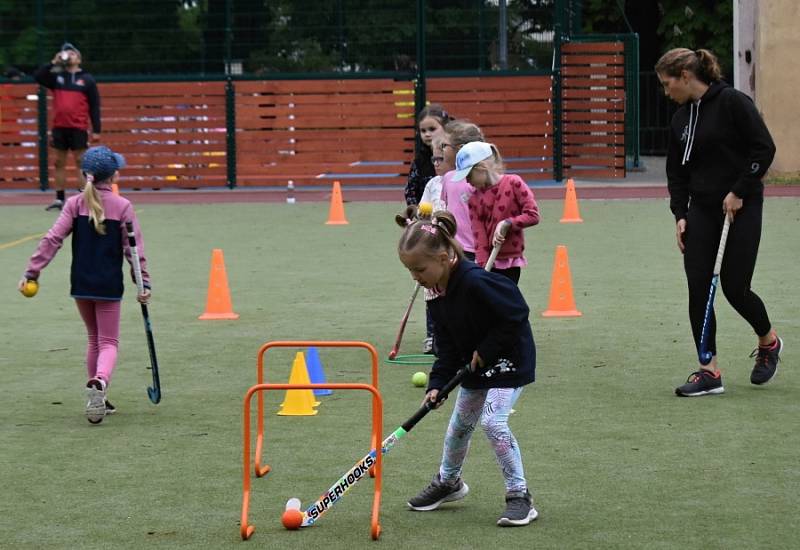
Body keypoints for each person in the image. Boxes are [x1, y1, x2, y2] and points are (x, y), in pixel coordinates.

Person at [395, 210, 538, 527]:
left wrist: (485, 350)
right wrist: (437, 384)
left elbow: (516, 313)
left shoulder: (474, 281)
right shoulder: (435, 294)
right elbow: (446, 349)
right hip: (475, 366)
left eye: (420, 268)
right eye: (410, 270)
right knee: (460, 425)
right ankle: (449, 483)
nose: (415, 277)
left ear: (444, 258)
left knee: (493, 422)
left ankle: (519, 497)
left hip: (508, 361)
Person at [655, 48, 781, 397]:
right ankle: (708, 369)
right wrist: (680, 214)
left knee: (734, 287)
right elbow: (676, 172)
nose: (667, 93)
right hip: (702, 211)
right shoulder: (681, 119)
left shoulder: (733, 103)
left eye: (668, 84)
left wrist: (740, 190)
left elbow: (763, 149)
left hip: (741, 207)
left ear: (685, 75)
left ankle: (769, 342)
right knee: (699, 288)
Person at [18, 146, 150, 424]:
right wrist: (143, 283)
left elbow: (52, 239)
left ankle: (98, 393)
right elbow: (134, 249)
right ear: (113, 175)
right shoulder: (122, 205)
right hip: (109, 286)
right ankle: (100, 382)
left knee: (94, 339)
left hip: (81, 283)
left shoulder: (74, 204)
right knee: (109, 341)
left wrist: (32, 272)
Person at [452, 141, 540, 283]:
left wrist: (507, 223)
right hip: (489, 264)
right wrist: (482, 269)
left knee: (506, 301)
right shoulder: (474, 199)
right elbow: (479, 238)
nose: (467, 181)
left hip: (510, 262)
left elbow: (533, 215)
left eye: (468, 175)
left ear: (482, 167)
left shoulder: (514, 183)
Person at [34, 42, 101, 211]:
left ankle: (83, 198)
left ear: (78, 58)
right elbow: (39, 77)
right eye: (66, 53)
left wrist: (97, 129)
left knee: (81, 162)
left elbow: (94, 106)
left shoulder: (87, 79)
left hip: (78, 127)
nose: (68, 56)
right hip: (59, 127)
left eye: (71, 53)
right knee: (58, 162)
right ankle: (59, 199)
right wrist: (53, 62)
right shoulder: (57, 77)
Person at [417, 133, 455, 354]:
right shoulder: (432, 184)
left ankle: (454, 333)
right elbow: (424, 209)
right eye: (434, 159)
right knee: (431, 290)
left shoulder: (459, 183)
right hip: (434, 244)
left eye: (442, 159)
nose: (437, 164)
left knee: (453, 290)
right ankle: (433, 335)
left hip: (454, 245)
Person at [440, 119, 486, 262]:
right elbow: (446, 210)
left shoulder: (483, 180)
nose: (441, 149)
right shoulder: (448, 178)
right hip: (455, 249)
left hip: (480, 250)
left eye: (444, 145)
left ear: (460, 149)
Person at [404, 103, 452, 206]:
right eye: (423, 130)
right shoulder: (419, 162)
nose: (427, 134)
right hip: (426, 216)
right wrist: (416, 213)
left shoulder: (454, 156)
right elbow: (411, 192)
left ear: (446, 127)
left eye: (432, 129)